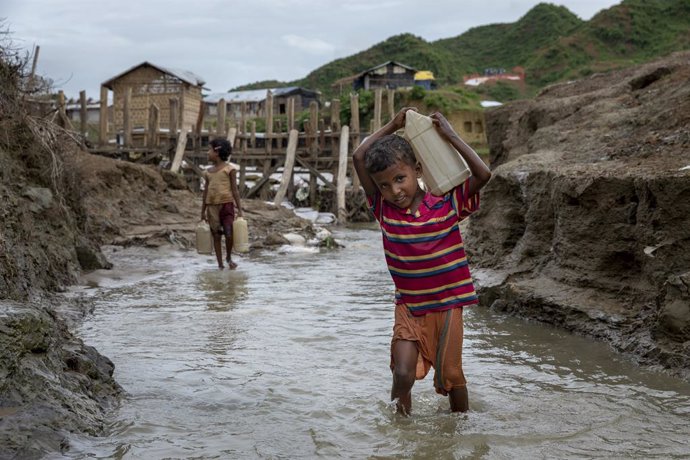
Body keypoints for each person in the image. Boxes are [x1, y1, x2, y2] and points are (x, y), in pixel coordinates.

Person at [352, 107, 492, 415]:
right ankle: (401, 429)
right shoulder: (383, 210)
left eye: (400, 179)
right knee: (401, 373)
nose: (394, 190)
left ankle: (460, 429)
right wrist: (392, 123)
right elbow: (359, 157)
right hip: (410, 307)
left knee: (452, 376)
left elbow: (483, 174)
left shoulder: (447, 203)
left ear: (418, 170)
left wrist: (449, 135)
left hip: (447, 306)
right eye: (385, 185)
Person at [201, 138, 243, 270]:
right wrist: (202, 211)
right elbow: (206, 192)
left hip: (227, 205)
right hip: (212, 206)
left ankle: (229, 257)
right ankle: (220, 265)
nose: (207, 153)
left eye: (209, 150)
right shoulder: (207, 172)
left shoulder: (230, 170)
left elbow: (235, 191)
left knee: (229, 233)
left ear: (217, 152)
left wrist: (240, 210)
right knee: (216, 235)